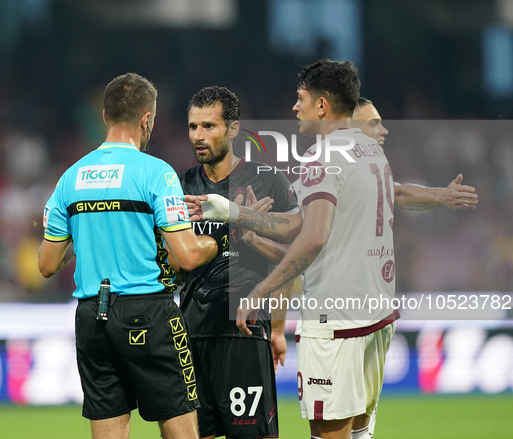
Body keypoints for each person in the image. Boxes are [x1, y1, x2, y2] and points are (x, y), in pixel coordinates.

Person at [193, 60, 478, 439]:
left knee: (329, 433)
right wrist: (235, 212)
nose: (295, 108)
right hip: (377, 315)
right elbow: (306, 223)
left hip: (335, 321)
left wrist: (259, 290)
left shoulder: (322, 158)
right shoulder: (370, 150)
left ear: (322, 105)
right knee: (361, 431)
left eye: (301, 99)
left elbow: (309, 235)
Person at [37, 73, 229, 439]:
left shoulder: (70, 178)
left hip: (92, 317)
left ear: (105, 116)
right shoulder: (156, 173)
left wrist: (90, 233)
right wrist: (218, 241)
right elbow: (187, 257)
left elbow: (47, 264)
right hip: (149, 312)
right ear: (147, 120)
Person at [176, 86, 300, 439]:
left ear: (233, 129)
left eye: (209, 126)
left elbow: (292, 258)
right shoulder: (179, 185)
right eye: (193, 127)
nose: (198, 136)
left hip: (243, 332)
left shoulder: (269, 181)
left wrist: (276, 329)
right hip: (191, 334)